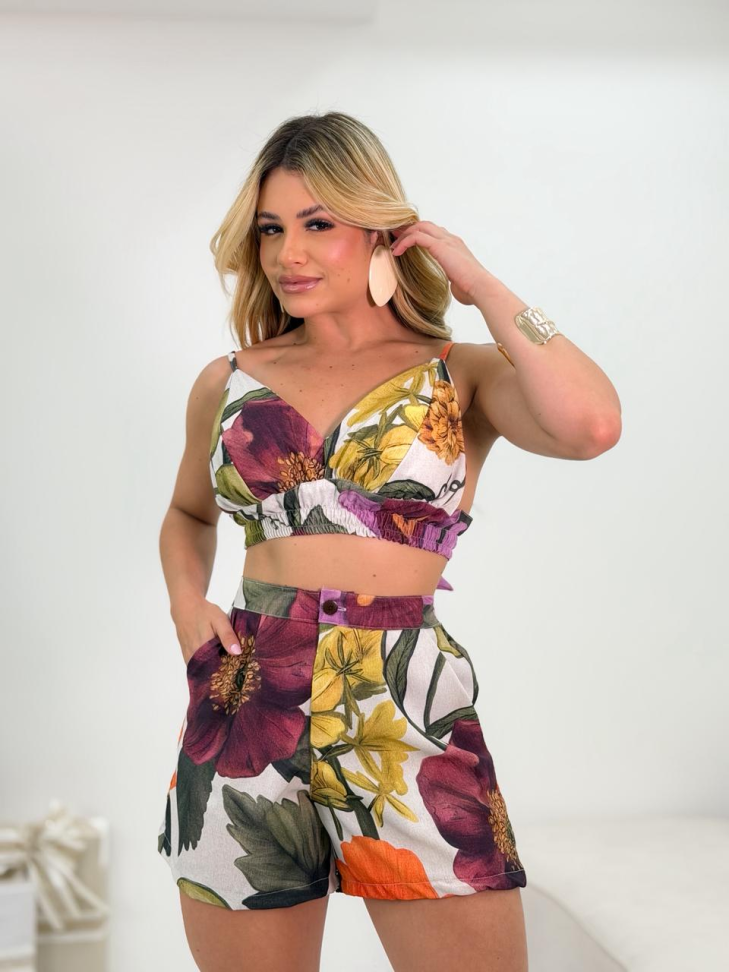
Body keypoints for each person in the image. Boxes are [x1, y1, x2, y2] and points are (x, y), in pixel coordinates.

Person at [156, 111, 622, 972]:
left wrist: (480, 284)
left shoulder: (458, 371)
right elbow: (188, 514)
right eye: (271, 230)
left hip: (401, 695)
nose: (288, 254)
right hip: (248, 694)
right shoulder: (228, 381)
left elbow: (590, 425)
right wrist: (189, 606)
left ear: (380, 231)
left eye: (317, 224)